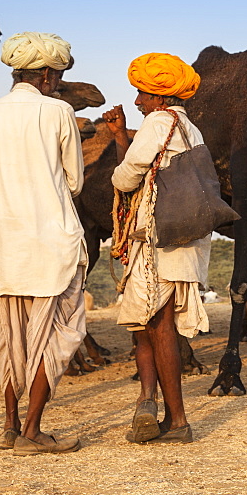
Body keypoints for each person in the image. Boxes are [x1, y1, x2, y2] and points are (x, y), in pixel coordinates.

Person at [0, 31, 87, 456]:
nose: (57, 82)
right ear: (44, 74)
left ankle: (8, 426)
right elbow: (74, 182)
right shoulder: (58, 111)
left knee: (11, 335)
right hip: (50, 241)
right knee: (61, 333)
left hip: (2, 245)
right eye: (56, 75)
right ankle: (33, 429)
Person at [103, 52, 211, 444]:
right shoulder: (190, 128)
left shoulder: (158, 122)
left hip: (158, 241)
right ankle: (148, 404)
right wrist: (121, 137)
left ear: (159, 97)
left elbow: (128, 175)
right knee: (148, 323)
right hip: (184, 238)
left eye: (142, 95)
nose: (137, 103)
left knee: (159, 325)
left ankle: (177, 420)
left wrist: (118, 169)